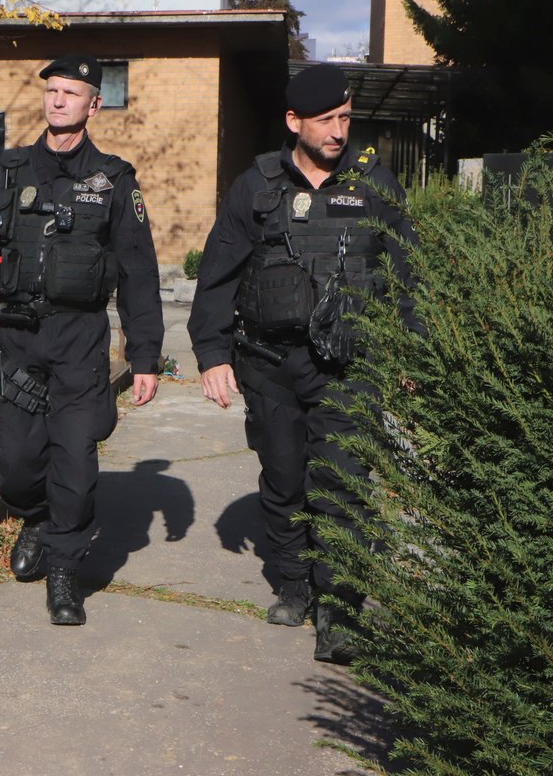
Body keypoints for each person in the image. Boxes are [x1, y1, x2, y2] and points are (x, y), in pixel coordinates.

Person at [187, 63, 421, 664]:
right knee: (285, 478)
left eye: (345, 118)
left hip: (350, 365)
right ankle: (294, 584)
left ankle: (339, 606)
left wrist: (415, 352)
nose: (339, 131)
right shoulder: (257, 187)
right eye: (326, 120)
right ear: (295, 122)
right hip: (268, 361)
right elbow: (217, 276)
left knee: (343, 484)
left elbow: (412, 279)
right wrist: (212, 355)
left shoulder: (376, 187)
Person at [0, 55, 164, 626]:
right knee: (14, 461)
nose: (58, 100)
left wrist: (144, 356)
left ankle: (64, 569)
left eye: (72, 93)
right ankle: (36, 516)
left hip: (79, 340)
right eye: (52, 91)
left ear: (95, 104)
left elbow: (138, 273)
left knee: (74, 459)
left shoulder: (114, 180)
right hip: (17, 337)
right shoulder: (9, 173)